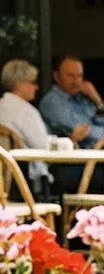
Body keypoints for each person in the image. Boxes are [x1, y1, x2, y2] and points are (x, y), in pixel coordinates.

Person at [39, 56, 104, 193]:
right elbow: (86, 132)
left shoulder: (84, 100)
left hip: (96, 161)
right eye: (70, 76)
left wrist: (97, 101)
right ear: (56, 77)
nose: (76, 82)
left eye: (79, 76)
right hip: (70, 165)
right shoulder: (52, 102)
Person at [0, 59, 69, 199]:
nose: (36, 87)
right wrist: (68, 142)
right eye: (33, 82)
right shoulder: (26, 111)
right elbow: (43, 147)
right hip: (25, 180)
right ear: (19, 85)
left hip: (5, 178)